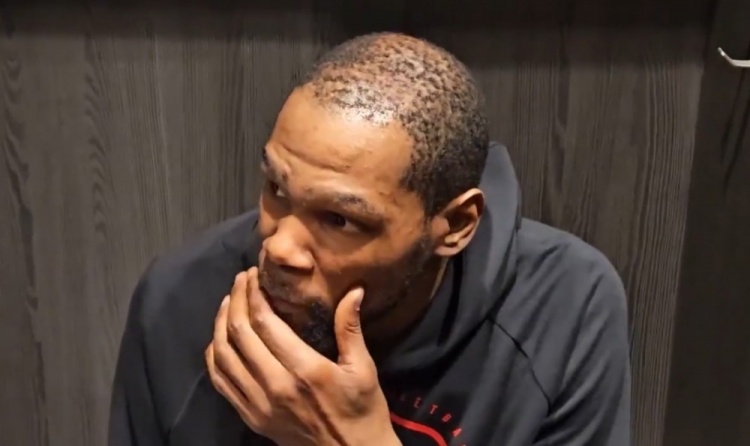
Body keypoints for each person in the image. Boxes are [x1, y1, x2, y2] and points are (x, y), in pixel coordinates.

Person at [108, 32, 631, 446]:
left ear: (454, 226)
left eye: (339, 220)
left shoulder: (563, 308)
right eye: (277, 189)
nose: (279, 247)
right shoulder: (180, 301)